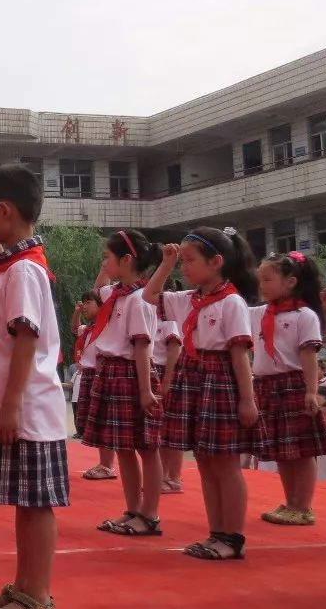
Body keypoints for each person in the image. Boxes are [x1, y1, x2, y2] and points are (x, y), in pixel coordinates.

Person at [0, 164, 69, 609]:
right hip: (14, 402)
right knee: (24, 502)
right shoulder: (9, 267)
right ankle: (24, 585)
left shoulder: (24, 270)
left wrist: (7, 405)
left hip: (27, 406)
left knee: (35, 503)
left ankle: (39, 597)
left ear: (4, 211)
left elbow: (26, 338)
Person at [144, 226, 258, 561]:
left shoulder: (232, 302)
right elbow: (149, 297)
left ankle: (232, 537)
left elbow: (240, 355)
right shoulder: (189, 300)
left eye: (189, 260)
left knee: (225, 464)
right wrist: (165, 264)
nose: (184, 267)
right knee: (206, 463)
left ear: (216, 262)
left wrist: (247, 400)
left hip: (219, 378)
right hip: (192, 377)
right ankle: (216, 533)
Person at [83, 230, 165, 537]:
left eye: (107, 257)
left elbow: (142, 346)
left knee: (146, 447)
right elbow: (97, 289)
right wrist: (106, 268)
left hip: (132, 373)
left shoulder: (140, 300)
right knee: (125, 448)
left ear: (127, 259)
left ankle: (150, 514)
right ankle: (133, 510)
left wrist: (145, 390)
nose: (103, 263)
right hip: (112, 372)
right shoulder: (116, 295)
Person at [250, 252, 326, 525]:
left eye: (268, 279)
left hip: (292, 384)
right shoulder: (261, 313)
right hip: (266, 387)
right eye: (260, 280)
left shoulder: (304, 315)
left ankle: (303, 506)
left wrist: (310, 391)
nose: (262, 285)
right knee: (283, 450)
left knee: (302, 450)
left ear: (291, 281)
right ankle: (290, 501)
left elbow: (308, 356)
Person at [73, 289, 118, 480]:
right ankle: (104, 463)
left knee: (104, 419)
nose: (84, 306)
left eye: (88, 302)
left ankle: (108, 465)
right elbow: (75, 329)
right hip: (89, 374)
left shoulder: (106, 326)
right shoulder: (88, 330)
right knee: (96, 421)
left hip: (100, 373)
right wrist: (76, 311)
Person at [153, 317, 185, 494]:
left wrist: (166, 382)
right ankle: (163, 475)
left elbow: (175, 350)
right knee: (160, 430)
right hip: (154, 372)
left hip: (166, 373)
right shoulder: (150, 317)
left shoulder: (170, 321)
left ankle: (173, 477)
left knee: (172, 429)